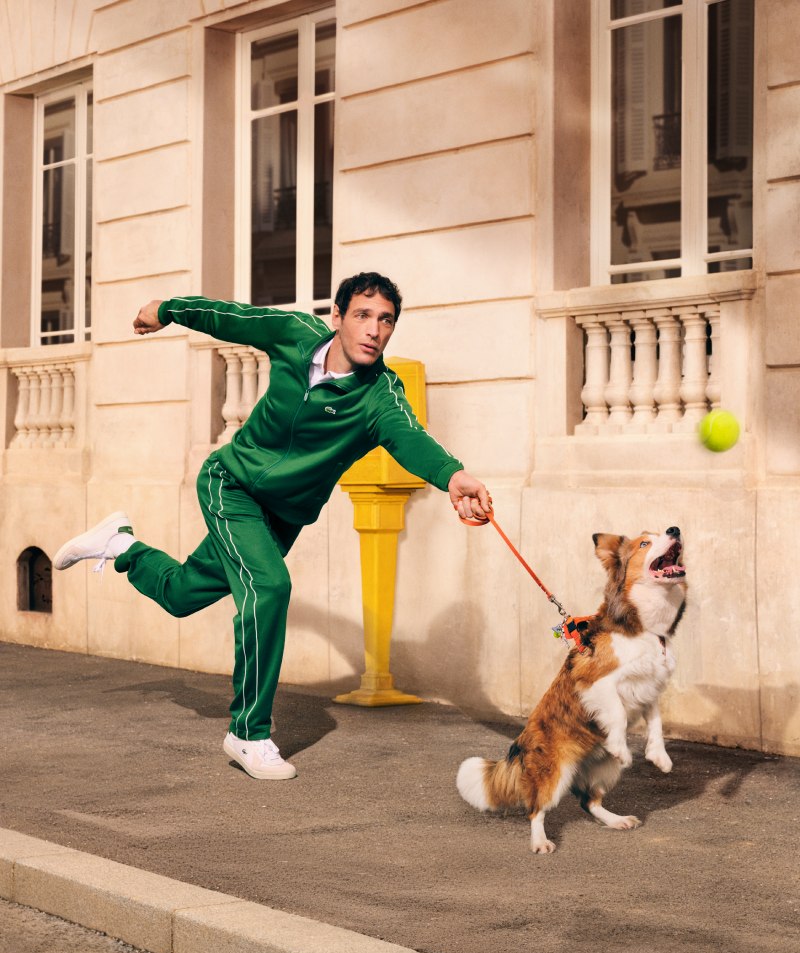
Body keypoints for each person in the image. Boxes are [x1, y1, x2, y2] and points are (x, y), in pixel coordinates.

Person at [54, 272, 491, 780]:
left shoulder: (379, 396)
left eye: (386, 320)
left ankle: (121, 545)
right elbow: (232, 317)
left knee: (181, 596)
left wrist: (452, 476)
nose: (375, 330)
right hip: (230, 484)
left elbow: (411, 438)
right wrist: (169, 308)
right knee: (269, 586)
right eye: (363, 315)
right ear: (338, 317)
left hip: (280, 518)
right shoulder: (294, 334)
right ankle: (248, 732)